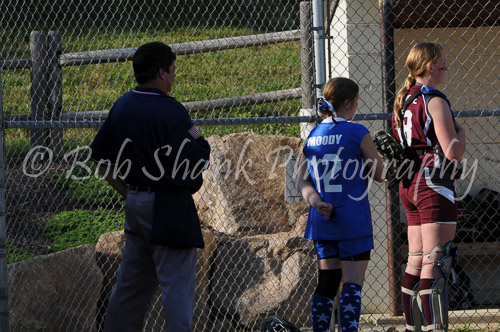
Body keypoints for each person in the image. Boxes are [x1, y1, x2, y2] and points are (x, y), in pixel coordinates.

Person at [90, 41, 211, 332]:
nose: (173, 76)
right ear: (161, 73)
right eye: (172, 70)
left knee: (131, 286)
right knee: (177, 287)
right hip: (168, 207)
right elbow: (200, 154)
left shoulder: (122, 105)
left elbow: (101, 161)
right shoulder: (171, 110)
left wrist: (129, 192)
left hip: (136, 203)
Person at [296, 77, 385, 332]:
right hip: (352, 221)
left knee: (327, 283)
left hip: (323, 221)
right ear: (348, 102)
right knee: (352, 284)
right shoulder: (357, 132)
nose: (357, 105)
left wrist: (317, 202)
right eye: (356, 101)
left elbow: (301, 180)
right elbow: (379, 174)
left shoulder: (312, 136)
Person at [392, 42, 466, 332]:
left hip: (409, 183)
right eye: (442, 61)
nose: (446, 65)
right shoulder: (433, 98)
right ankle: (436, 328)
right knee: (437, 258)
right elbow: (453, 151)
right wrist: (461, 133)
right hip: (432, 183)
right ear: (429, 65)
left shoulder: (403, 99)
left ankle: (413, 328)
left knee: (416, 260)